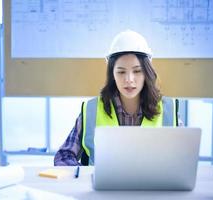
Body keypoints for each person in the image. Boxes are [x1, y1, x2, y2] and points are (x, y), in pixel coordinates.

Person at [54, 30, 179, 166]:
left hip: (152, 186)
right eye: (121, 72)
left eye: (137, 71)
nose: (129, 79)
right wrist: (86, 176)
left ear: (146, 73)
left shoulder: (168, 110)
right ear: (112, 74)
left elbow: (182, 160)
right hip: (103, 187)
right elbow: (63, 156)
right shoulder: (92, 110)